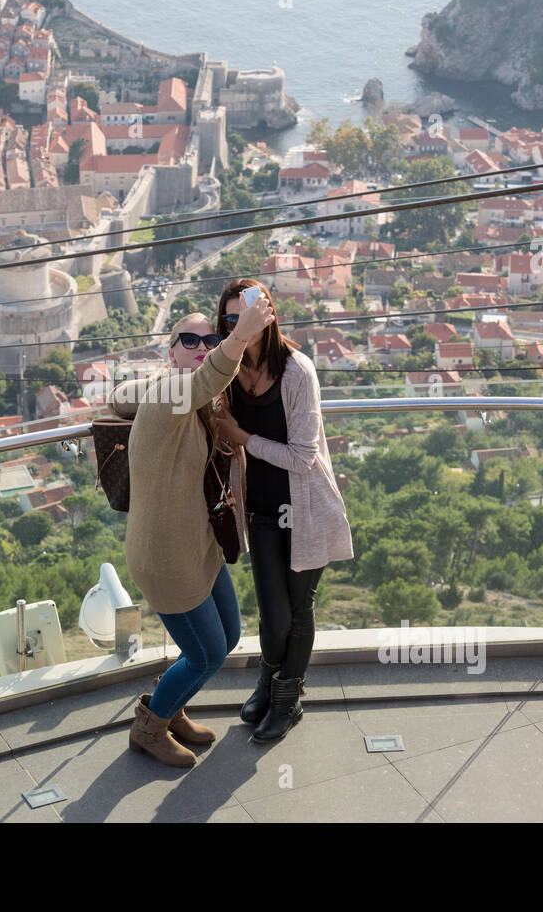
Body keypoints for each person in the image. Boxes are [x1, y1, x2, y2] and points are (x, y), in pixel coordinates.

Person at [108, 297, 275, 767]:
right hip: (165, 557)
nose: (202, 347)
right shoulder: (169, 396)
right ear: (172, 352)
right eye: (190, 340)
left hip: (197, 546)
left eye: (211, 339)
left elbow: (121, 395)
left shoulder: (185, 399)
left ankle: (171, 705)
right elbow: (207, 378)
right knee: (206, 655)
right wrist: (240, 334)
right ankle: (149, 726)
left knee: (228, 633)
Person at [212, 278, 354, 744]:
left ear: (268, 316)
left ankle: (287, 699)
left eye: (249, 316)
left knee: (297, 611)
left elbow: (302, 456)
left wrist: (243, 438)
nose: (242, 325)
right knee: (272, 615)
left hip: (305, 508)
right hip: (261, 509)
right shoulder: (228, 371)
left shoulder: (297, 372)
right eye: (231, 319)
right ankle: (267, 685)